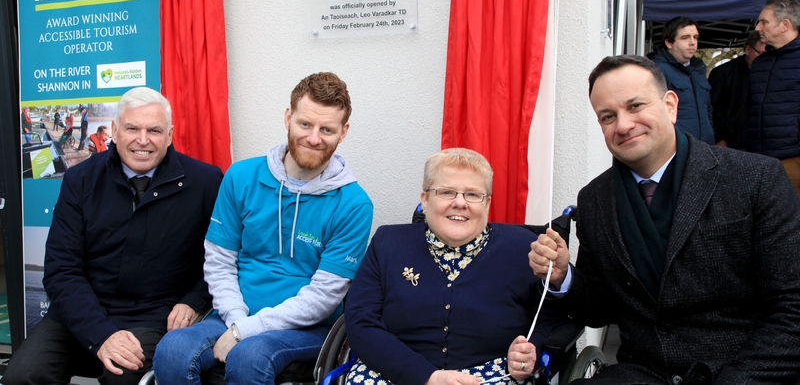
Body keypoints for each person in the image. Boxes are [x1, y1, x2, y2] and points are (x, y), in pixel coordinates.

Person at [528, 55, 800, 384]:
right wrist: (563, 277)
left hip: (741, 371)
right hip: (643, 373)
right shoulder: (595, 200)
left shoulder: (755, 179)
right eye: (608, 116)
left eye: (635, 106)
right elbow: (598, 310)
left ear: (670, 105)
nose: (623, 125)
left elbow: (792, 307)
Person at [153, 72, 374, 385]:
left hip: (309, 328)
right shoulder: (241, 176)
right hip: (233, 313)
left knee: (249, 357)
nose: (314, 138)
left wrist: (245, 332)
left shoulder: (354, 204)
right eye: (305, 124)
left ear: (344, 132)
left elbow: (324, 296)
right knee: (172, 351)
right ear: (288, 118)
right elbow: (219, 261)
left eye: (327, 129)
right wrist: (236, 321)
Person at [1, 87, 223, 385]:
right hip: (80, 313)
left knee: (123, 377)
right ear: (115, 131)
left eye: (154, 130)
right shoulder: (80, 179)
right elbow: (61, 270)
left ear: (170, 135)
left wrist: (194, 301)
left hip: (152, 315)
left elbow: (222, 258)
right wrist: (102, 334)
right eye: (132, 128)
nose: (142, 140)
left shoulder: (205, 181)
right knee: (22, 376)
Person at [345, 148, 562, 385]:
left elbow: (549, 317)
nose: (460, 203)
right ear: (425, 199)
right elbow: (361, 323)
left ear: (487, 203)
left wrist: (530, 350)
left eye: (472, 194)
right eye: (446, 192)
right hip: (394, 372)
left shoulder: (524, 249)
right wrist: (426, 377)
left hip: (490, 376)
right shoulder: (387, 243)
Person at [741, 0, 800, 195]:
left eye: (764, 22)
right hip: (758, 160)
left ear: (785, 25)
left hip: (792, 159)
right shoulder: (760, 63)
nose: (758, 27)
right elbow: (750, 111)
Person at [651, 16, 715, 144]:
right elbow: (653, 113)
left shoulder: (698, 70)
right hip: (677, 146)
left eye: (695, 37)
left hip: (704, 145)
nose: (692, 42)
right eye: (685, 38)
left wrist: (710, 134)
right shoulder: (657, 70)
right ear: (669, 43)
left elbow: (708, 110)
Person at [708, 31, 765, 148]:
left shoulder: (770, 75)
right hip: (729, 143)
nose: (764, 59)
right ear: (748, 49)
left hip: (759, 143)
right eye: (761, 53)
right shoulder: (722, 73)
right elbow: (710, 109)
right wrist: (718, 138)